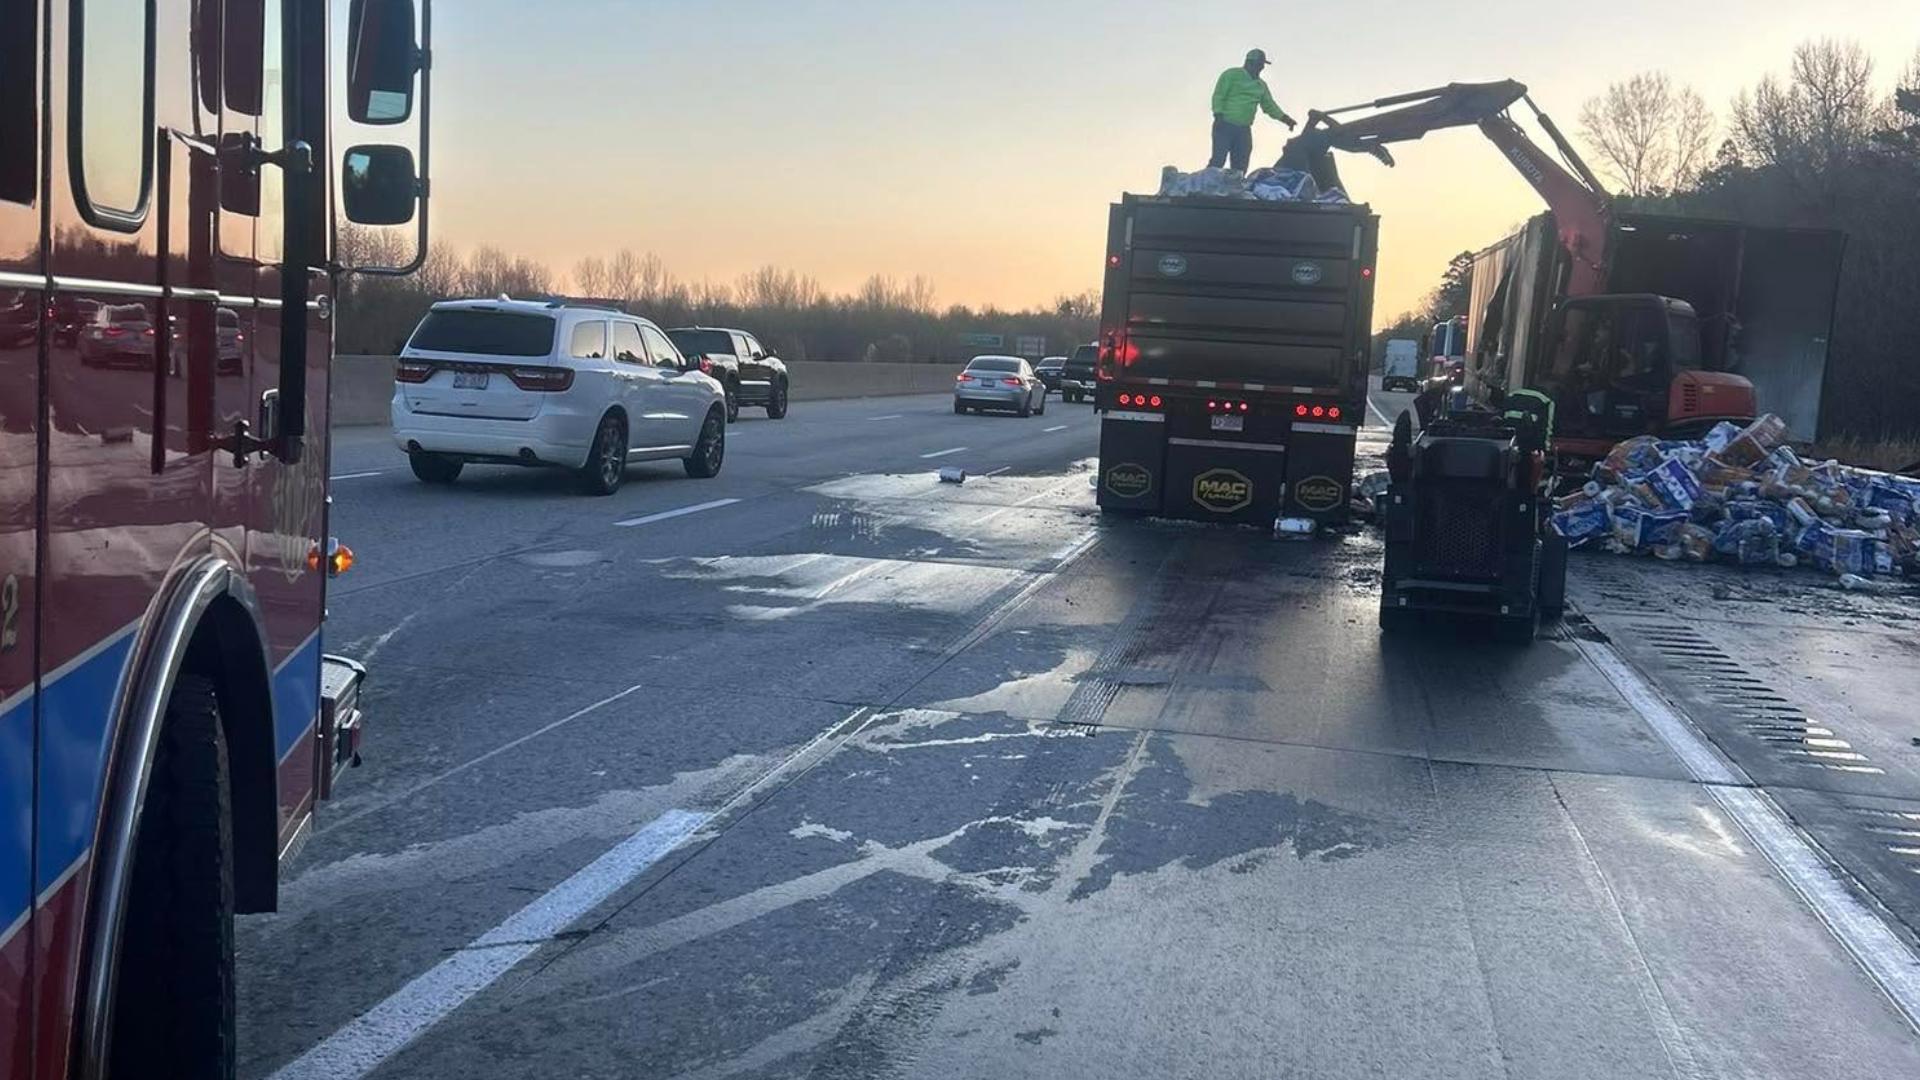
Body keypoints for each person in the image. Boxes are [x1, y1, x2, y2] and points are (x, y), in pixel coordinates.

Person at [1209, 49, 1296, 172]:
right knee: (1218, 160)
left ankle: (1236, 183)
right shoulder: (1232, 74)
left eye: (1262, 65)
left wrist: (1285, 119)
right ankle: (1207, 182)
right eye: (1259, 64)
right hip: (1225, 124)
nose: (1261, 68)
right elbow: (1219, 95)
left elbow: (1269, 105)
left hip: (1244, 129)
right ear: (1249, 63)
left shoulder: (1261, 85)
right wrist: (1218, 115)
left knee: (1240, 165)